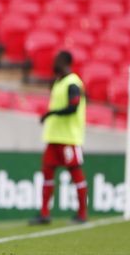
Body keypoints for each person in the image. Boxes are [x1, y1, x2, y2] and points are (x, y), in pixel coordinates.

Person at [29, 50, 89, 225]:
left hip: (69, 138)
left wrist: (51, 113)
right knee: (47, 173)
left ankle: (82, 213)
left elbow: (73, 107)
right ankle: (44, 213)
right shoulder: (57, 82)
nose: (54, 63)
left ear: (65, 62)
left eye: (57, 60)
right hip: (53, 137)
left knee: (76, 173)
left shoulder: (73, 83)